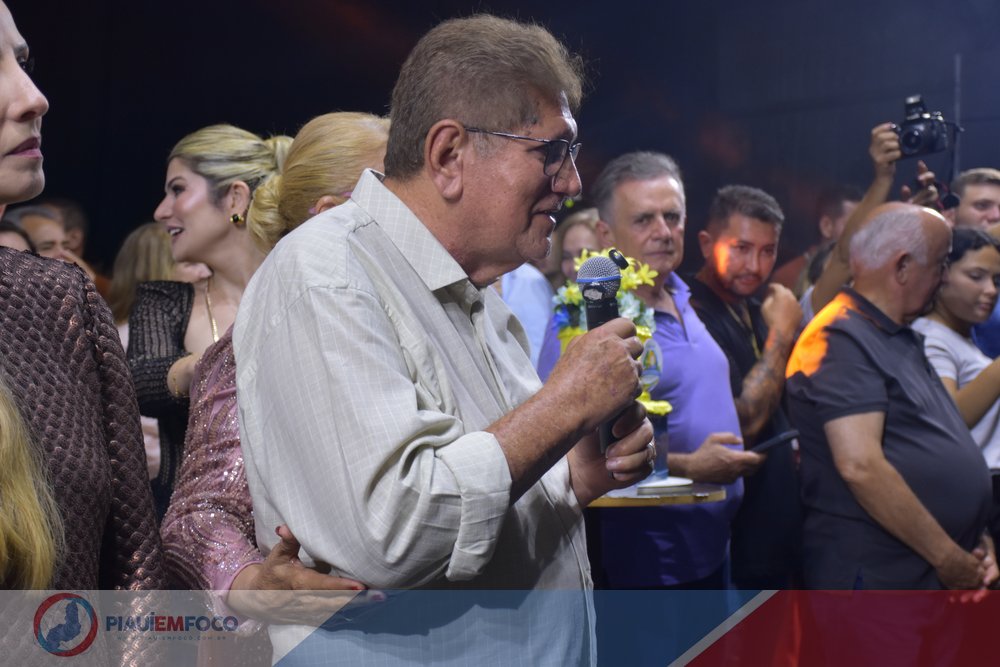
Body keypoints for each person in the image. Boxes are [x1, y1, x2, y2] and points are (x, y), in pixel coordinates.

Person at [234, 15, 653, 665]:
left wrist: (571, 478)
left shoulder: (474, 290)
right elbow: (395, 528)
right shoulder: (325, 275)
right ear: (450, 155)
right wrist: (567, 402)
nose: (572, 182)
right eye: (551, 151)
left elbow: (488, 482)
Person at [0, 2, 163, 662]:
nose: (33, 97)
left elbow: (133, 574)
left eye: (22, 62)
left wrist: (237, 584)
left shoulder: (58, 303)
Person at [539, 152, 760, 591]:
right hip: (646, 565)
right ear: (605, 234)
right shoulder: (586, 317)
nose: (663, 231)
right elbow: (559, 443)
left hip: (714, 549)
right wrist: (690, 465)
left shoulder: (684, 294)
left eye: (672, 217)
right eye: (644, 219)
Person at [786, 202, 995, 590]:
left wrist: (974, 536)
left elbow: (941, 440)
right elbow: (861, 466)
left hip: (921, 574)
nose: (944, 278)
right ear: (902, 267)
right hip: (877, 579)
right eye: (940, 264)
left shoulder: (897, 335)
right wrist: (947, 556)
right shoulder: (840, 337)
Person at [127, 124, 290, 520]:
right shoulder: (165, 302)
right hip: (192, 535)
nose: (161, 211)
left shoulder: (301, 293)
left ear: (235, 197)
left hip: (298, 527)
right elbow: (141, 382)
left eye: (177, 189)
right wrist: (217, 361)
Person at [690, 184, 802, 589]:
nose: (755, 265)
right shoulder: (691, 313)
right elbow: (745, 423)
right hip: (735, 544)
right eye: (740, 248)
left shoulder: (754, 306)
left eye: (768, 251)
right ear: (707, 244)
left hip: (774, 534)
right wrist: (782, 335)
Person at [912, 227, 1000, 542]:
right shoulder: (930, 336)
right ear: (942, 274)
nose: (991, 290)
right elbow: (951, 418)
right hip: (980, 490)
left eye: (997, 280)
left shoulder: (959, 338)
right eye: (976, 277)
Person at [802, 123, 938, 324]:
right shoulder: (820, 311)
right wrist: (883, 178)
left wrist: (916, 220)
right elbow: (844, 257)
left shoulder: (890, 325)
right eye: (849, 278)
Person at [109, 222, 176, 481]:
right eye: (189, 263)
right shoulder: (135, 338)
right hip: (156, 474)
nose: (203, 271)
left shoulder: (112, 331)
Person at [770, 184, 861, 296]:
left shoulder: (861, 275)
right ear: (826, 226)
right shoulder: (790, 276)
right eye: (853, 226)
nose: (862, 234)